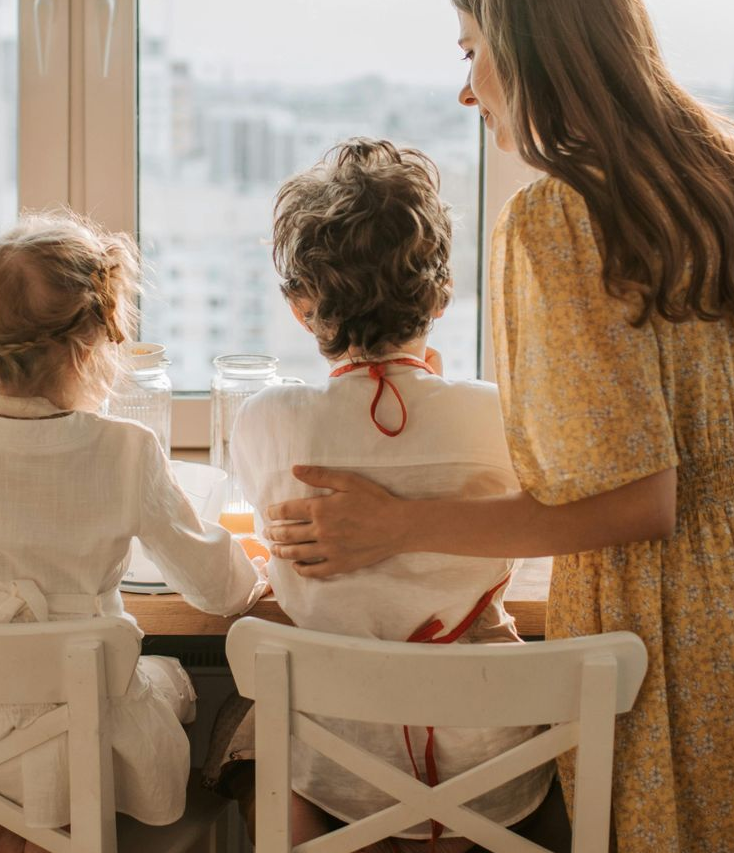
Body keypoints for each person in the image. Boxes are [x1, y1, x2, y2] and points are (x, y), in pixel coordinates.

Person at [262, 0, 734, 853]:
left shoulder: (560, 219)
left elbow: (638, 502)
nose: (468, 90)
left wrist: (396, 522)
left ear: (528, 52)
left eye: (474, 54)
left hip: (677, 627)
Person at [0, 214, 266, 853]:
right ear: (93, 345)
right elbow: (217, 591)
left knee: (16, 715)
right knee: (143, 693)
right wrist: (249, 566)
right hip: (82, 734)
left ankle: (3, 830)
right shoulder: (125, 449)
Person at [223, 138, 549, 851]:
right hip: (489, 769)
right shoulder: (497, 413)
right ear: (440, 294)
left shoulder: (268, 421)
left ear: (301, 305)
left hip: (342, 765)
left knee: (240, 734)